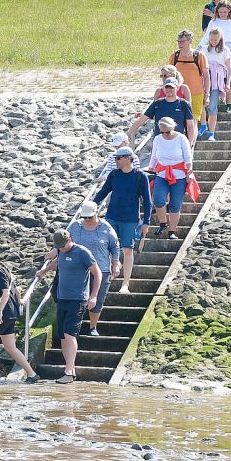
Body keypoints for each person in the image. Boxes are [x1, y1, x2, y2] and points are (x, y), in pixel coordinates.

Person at [38, 202, 120, 336]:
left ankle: (92, 327)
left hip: (100, 267)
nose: (87, 220)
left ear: (96, 213)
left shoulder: (106, 228)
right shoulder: (75, 226)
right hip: (77, 268)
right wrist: (53, 253)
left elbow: (115, 247)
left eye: (90, 217)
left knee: (97, 298)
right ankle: (73, 326)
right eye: (85, 217)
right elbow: (64, 241)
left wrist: (115, 264)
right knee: (71, 298)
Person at [37, 230, 102, 384]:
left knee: (70, 334)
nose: (62, 248)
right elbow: (58, 262)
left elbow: (97, 273)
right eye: (59, 246)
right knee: (63, 336)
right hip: (62, 298)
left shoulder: (82, 252)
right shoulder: (60, 251)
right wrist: (44, 271)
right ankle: (70, 369)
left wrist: (93, 296)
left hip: (77, 299)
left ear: (70, 240)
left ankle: (68, 371)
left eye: (63, 245)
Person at [93, 147, 153, 294]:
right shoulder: (114, 175)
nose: (116, 161)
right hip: (112, 216)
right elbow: (103, 192)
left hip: (130, 219)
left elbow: (147, 200)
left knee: (127, 249)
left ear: (127, 158)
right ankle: (106, 277)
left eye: (118, 159)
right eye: (115, 158)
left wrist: (146, 222)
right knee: (105, 247)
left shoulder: (140, 176)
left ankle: (125, 284)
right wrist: (91, 207)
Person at [0, 250, 39, 384]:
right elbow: (15, 289)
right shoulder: (5, 270)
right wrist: (20, 300)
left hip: (5, 313)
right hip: (12, 313)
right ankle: (32, 374)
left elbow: (5, 293)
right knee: (10, 347)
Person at [128, 78, 197, 165]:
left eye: (171, 87)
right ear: (163, 88)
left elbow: (190, 126)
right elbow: (142, 119)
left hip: (178, 142)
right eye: (166, 87)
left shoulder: (184, 104)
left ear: (177, 88)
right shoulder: (157, 104)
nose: (168, 90)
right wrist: (129, 133)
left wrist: (189, 144)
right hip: (160, 141)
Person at [150, 118, 194, 240]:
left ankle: (172, 231)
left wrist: (189, 173)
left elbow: (188, 157)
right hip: (162, 173)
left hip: (179, 175)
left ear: (173, 128)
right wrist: (151, 166)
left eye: (167, 132)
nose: (165, 135)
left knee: (175, 204)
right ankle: (163, 223)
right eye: (162, 132)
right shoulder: (158, 139)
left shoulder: (181, 138)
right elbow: (154, 155)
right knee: (158, 199)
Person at [198, 1, 231, 114]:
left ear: (229, 11)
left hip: (228, 48)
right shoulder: (213, 21)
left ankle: (228, 104)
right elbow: (207, 36)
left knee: (228, 76)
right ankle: (213, 102)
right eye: (220, 11)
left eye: (225, 12)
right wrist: (198, 48)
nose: (223, 14)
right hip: (213, 47)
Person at [196, 27, 231, 142]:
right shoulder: (203, 49)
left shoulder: (225, 50)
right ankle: (203, 124)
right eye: (211, 39)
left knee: (212, 107)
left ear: (220, 39)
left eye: (215, 40)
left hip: (217, 79)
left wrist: (227, 83)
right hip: (204, 79)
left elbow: (229, 68)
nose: (213, 42)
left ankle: (211, 133)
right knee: (201, 104)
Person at [168, 30, 210, 126]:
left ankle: (191, 141)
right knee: (178, 119)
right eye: (178, 41)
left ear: (190, 42)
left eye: (182, 41)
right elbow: (168, 75)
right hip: (178, 93)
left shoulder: (199, 56)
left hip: (196, 92)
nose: (180, 44)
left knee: (193, 120)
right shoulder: (174, 56)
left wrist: (207, 95)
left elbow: (206, 76)